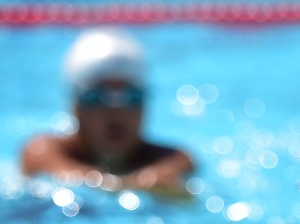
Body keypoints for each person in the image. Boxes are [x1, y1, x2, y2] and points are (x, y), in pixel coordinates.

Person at [20, 28, 194, 196]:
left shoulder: (175, 158)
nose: (116, 111)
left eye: (131, 97)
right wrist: (142, 184)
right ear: (75, 106)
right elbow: (52, 168)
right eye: (97, 97)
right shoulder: (44, 151)